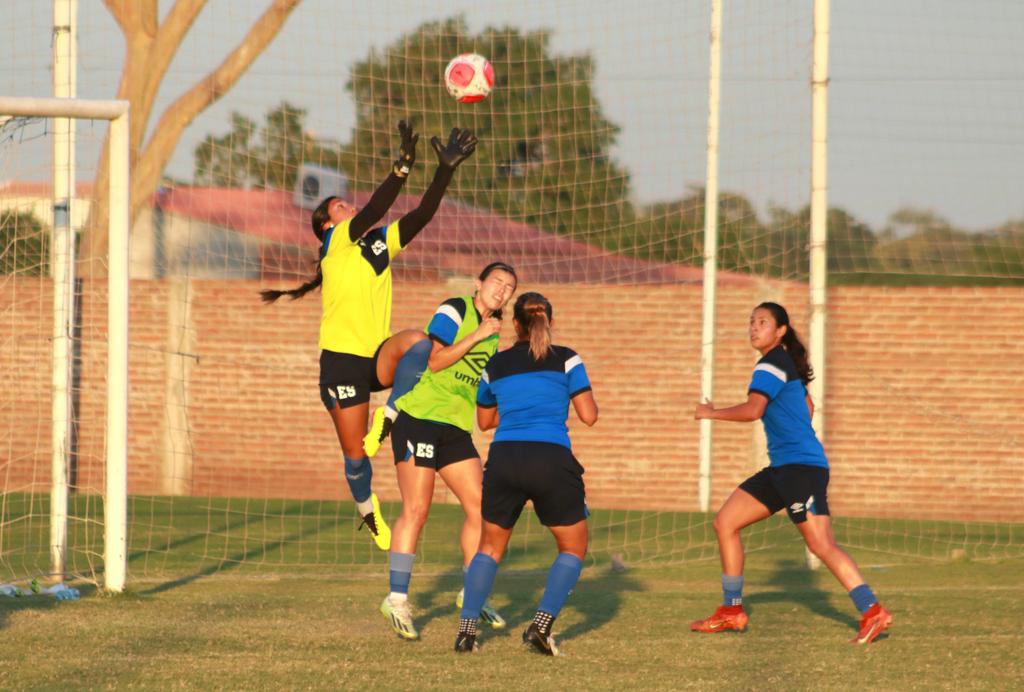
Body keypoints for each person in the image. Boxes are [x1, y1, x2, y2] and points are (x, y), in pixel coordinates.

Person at [261, 120, 478, 552]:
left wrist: (445, 170)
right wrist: (401, 168)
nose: (347, 207)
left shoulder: (376, 245)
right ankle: (366, 510)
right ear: (326, 224)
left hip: (377, 356)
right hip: (341, 363)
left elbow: (421, 215)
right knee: (356, 459)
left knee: (419, 339)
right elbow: (376, 209)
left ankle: (391, 415)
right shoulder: (336, 243)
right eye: (339, 206)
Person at [690, 302, 893, 644]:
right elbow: (808, 407)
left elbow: (754, 410)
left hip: (801, 470)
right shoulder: (784, 364)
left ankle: (873, 611)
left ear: (780, 330)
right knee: (725, 522)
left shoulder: (771, 364)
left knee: (821, 544)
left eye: (762, 322)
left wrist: (711, 413)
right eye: (751, 321)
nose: (754, 327)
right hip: (782, 468)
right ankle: (731, 611)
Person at [378, 262, 518, 641]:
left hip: (455, 430)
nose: (502, 290)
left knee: (484, 509)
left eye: (509, 287)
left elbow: (481, 398)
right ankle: (396, 599)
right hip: (419, 419)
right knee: (417, 509)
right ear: (479, 283)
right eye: (496, 282)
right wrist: (476, 335)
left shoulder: (493, 337)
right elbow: (435, 360)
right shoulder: (455, 309)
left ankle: (471, 592)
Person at [454, 292, 598, 656]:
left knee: (489, 548)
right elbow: (589, 415)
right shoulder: (567, 358)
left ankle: (467, 632)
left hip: (505, 458)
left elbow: (484, 422)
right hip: (551, 458)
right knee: (573, 546)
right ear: (548, 321)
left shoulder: (496, 364)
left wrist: (518, 412)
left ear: (515, 324)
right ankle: (541, 626)